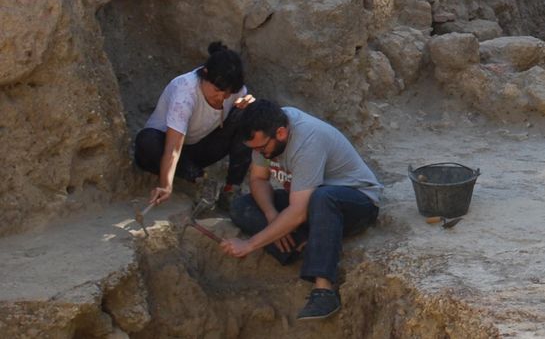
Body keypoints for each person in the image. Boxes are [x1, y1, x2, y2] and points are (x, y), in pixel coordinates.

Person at [223, 99, 383, 321]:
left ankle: (324, 290)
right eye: (255, 150)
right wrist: (273, 216)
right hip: (309, 201)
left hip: (355, 201)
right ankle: (300, 244)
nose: (260, 153)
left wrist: (249, 244)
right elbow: (258, 179)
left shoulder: (308, 140)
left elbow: (298, 211)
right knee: (242, 206)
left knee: (322, 198)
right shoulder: (266, 130)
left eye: (262, 148)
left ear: (280, 133)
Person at [133, 41, 254, 210]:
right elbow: (173, 148)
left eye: (227, 94)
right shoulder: (185, 91)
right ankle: (200, 179)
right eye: (217, 91)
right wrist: (165, 185)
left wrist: (249, 105)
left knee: (247, 116)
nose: (221, 98)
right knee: (147, 141)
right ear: (205, 74)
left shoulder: (235, 91)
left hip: (201, 147)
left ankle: (231, 190)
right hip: (165, 148)